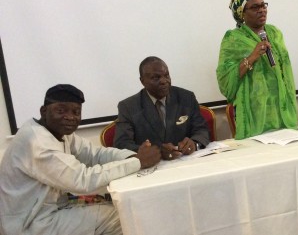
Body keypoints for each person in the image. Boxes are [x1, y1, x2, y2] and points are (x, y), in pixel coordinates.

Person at [0, 84, 161, 235]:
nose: (70, 117)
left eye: (76, 112)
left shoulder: (57, 132)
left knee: (116, 204)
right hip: (29, 224)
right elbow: (82, 180)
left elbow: (95, 155)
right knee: (122, 216)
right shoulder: (37, 142)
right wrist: (138, 162)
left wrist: (131, 156)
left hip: (51, 208)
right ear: (43, 111)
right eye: (61, 110)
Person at [216, 0, 298, 139]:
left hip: (282, 110)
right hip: (255, 114)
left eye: (263, 5)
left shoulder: (274, 33)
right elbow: (225, 82)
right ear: (242, 13)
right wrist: (252, 56)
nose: (262, 10)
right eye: (255, 7)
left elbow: (284, 70)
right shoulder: (232, 39)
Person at [114, 56, 210, 160]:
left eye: (166, 75)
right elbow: (122, 144)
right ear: (142, 81)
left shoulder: (186, 97)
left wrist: (194, 143)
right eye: (156, 77)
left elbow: (202, 130)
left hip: (185, 160)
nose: (164, 81)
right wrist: (156, 152)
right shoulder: (129, 106)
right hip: (152, 167)